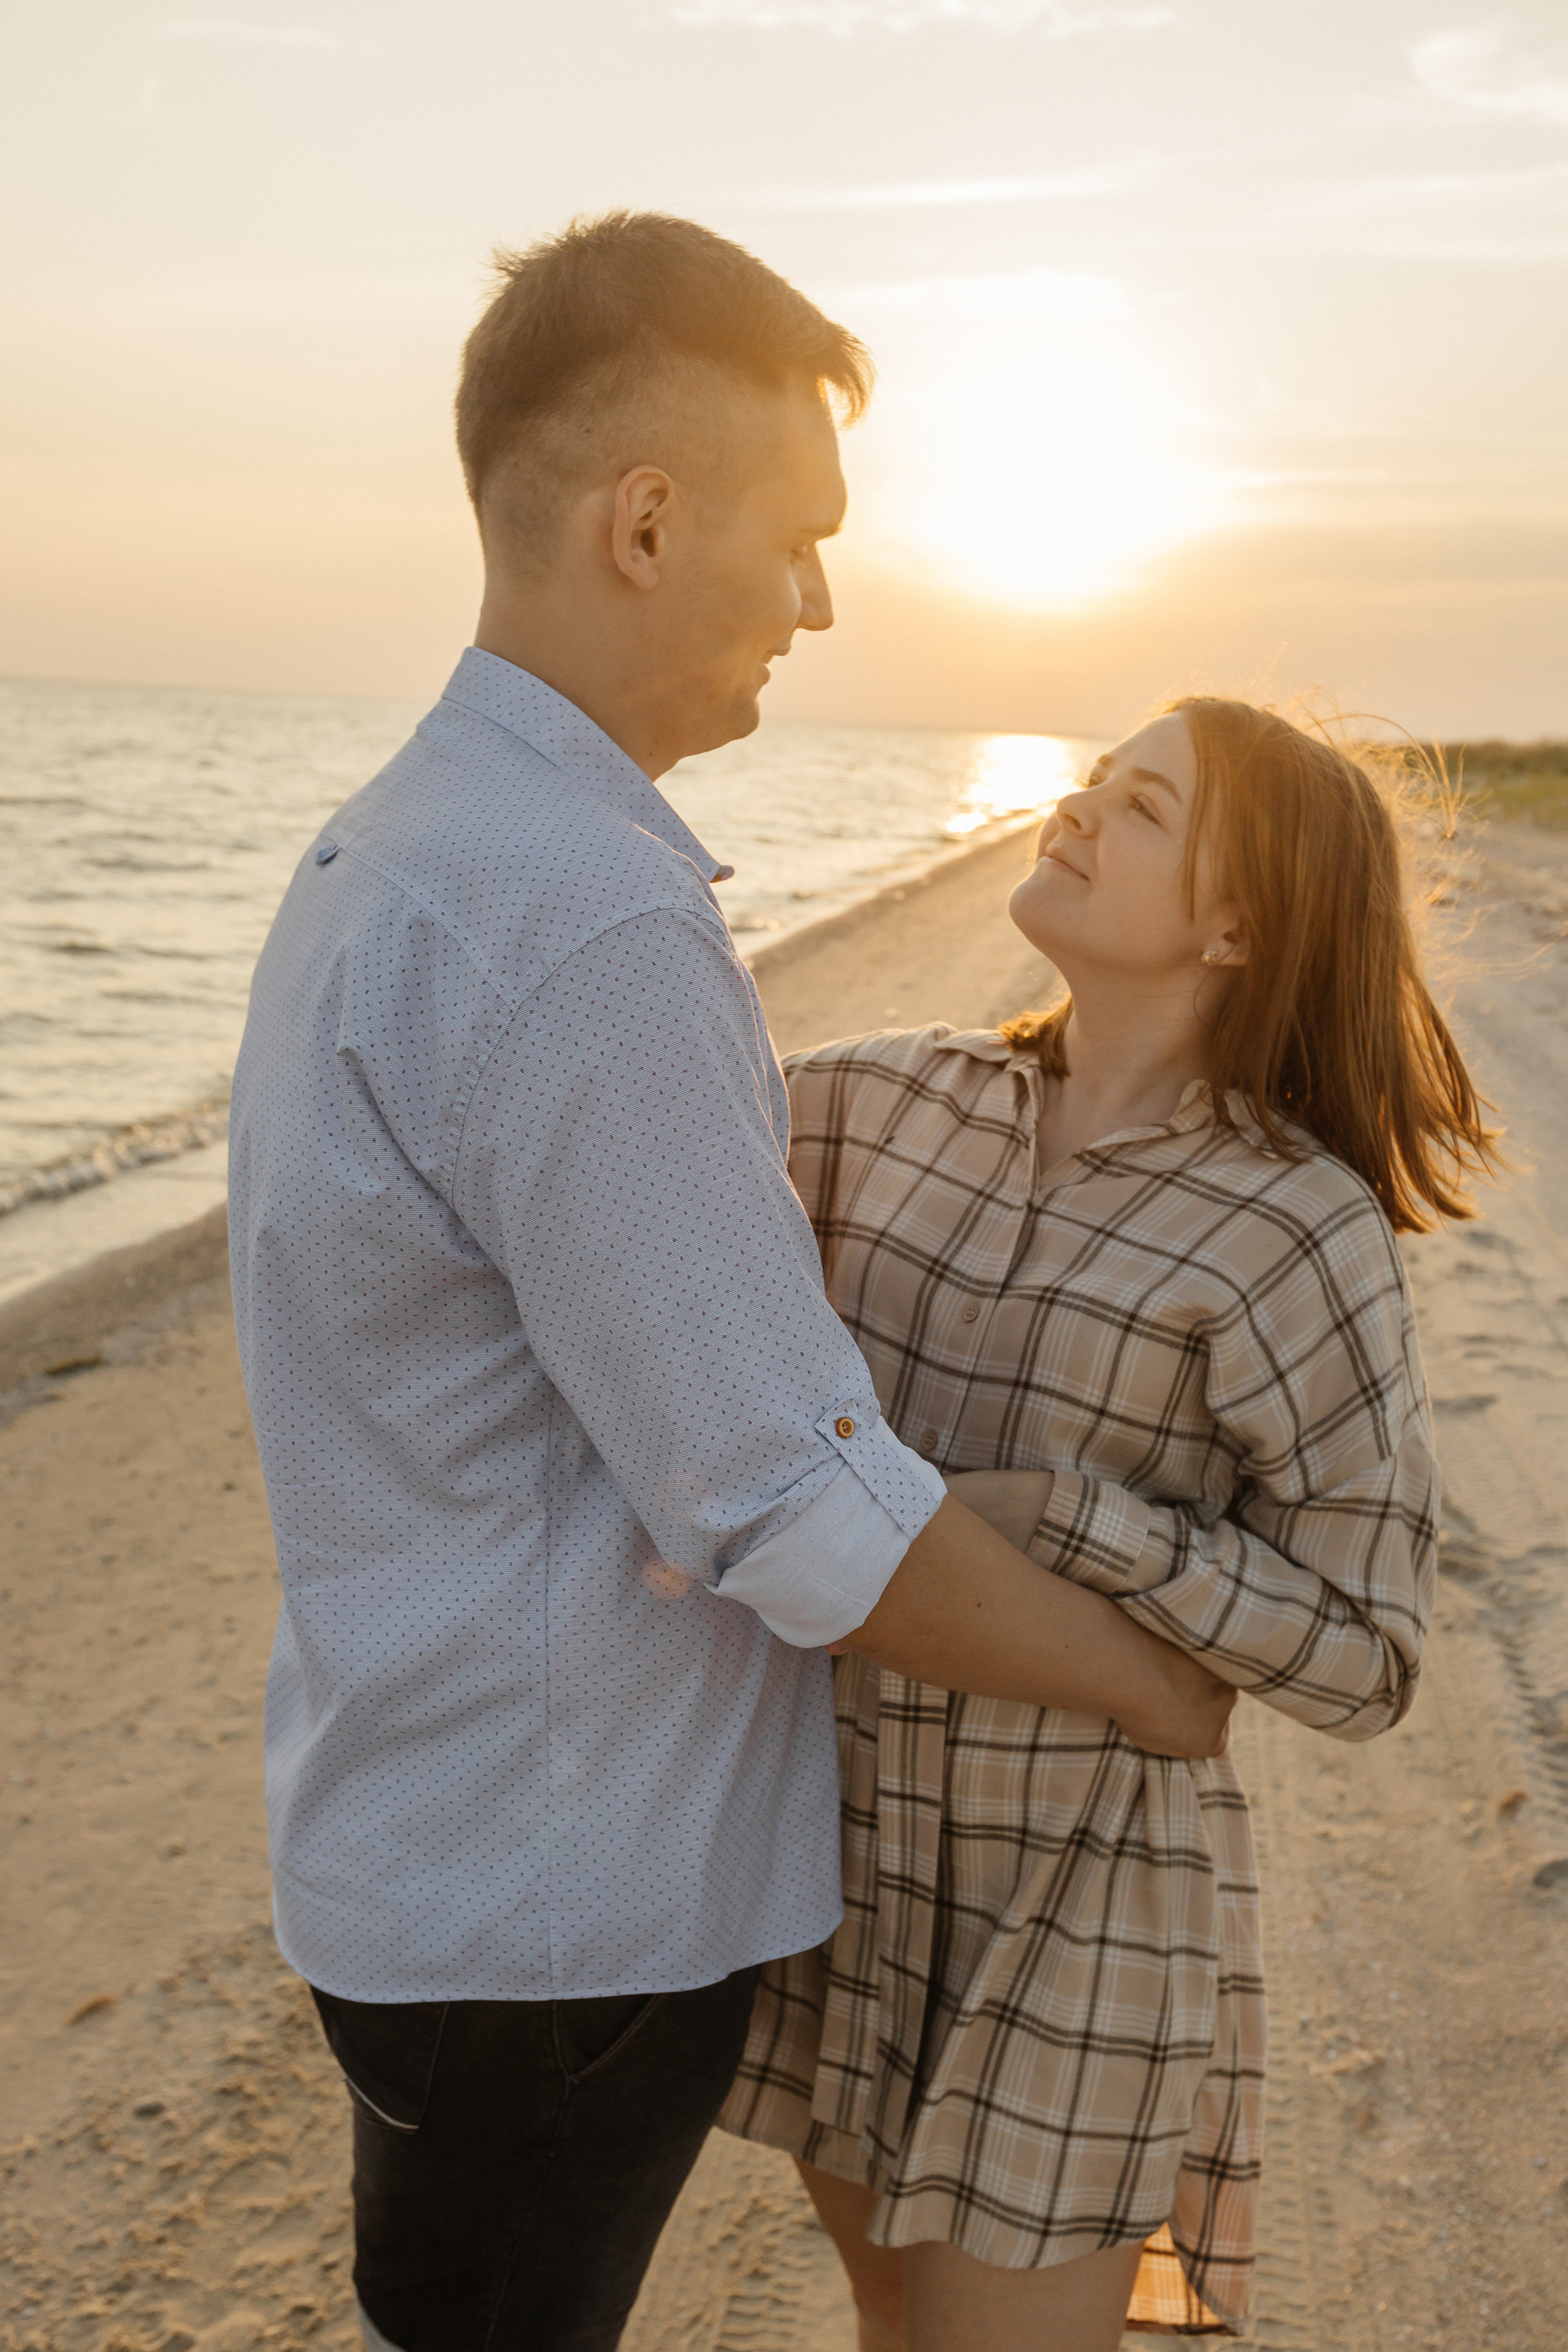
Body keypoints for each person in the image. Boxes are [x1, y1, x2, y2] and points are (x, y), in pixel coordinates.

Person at [227, 214, 1231, 2352]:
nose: (824, 599)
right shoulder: (582, 918)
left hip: (431, 1850)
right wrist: (1150, 1681)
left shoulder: (394, 846)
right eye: (800, 538)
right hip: (549, 1906)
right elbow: (786, 1501)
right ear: (648, 521)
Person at [720, 697, 1498, 2350]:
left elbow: (1372, 1654)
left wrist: (1080, 1521)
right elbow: (627, 1175)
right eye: (1092, 780)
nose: (1077, 808)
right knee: (892, 2331)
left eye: (1140, 806)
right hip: (843, 1857)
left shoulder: (1297, 1227)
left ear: (1237, 926)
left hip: (1080, 1903)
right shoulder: (875, 1101)